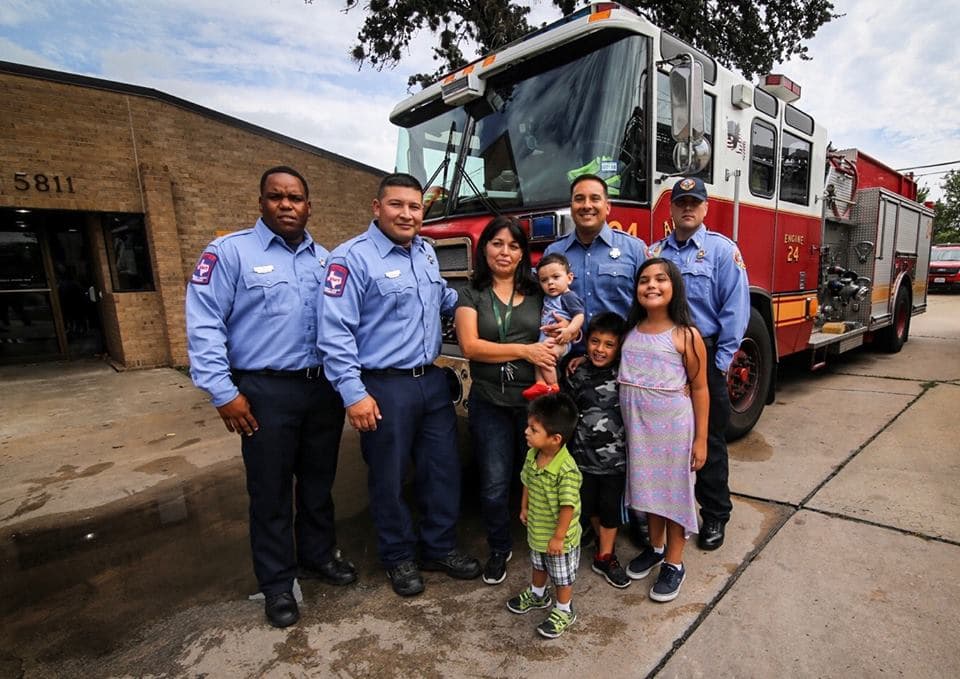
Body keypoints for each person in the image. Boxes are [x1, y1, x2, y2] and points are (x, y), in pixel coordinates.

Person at [185, 166, 354, 629]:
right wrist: (223, 392)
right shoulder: (229, 253)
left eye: (295, 198)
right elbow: (204, 323)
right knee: (271, 490)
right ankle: (277, 582)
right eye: (276, 196)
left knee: (318, 483)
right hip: (264, 391)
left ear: (308, 206)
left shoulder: (327, 260)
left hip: (321, 388)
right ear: (261, 202)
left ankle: (318, 555)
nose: (286, 205)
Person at [318, 172, 481, 597]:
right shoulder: (351, 259)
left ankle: (439, 548)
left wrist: (487, 302)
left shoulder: (425, 252)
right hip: (383, 386)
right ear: (377, 208)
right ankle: (398, 557)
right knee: (388, 478)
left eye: (414, 206)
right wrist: (354, 394)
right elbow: (334, 334)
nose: (407, 214)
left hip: (431, 379)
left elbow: (445, 299)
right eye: (397, 205)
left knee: (441, 469)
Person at [543, 173, 649, 549]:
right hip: (573, 368)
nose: (586, 205)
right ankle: (586, 516)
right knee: (577, 441)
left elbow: (646, 305)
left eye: (594, 198)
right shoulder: (555, 253)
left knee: (630, 442)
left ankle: (638, 516)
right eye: (579, 199)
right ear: (571, 205)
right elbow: (548, 306)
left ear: (607, 206)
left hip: (623, 368)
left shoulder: (633, 249)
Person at [454, 216, 560, 585]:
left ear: (522, 253)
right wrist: (525, 350)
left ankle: (544, 543)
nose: (505, 252)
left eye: (514, 245)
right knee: (495, 482)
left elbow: (560, 328)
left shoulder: (538, 292)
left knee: (539, 477)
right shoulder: (471, 293)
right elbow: (471, 347)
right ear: (484, 248)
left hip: (534, 404)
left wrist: (563, 337)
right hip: (489, 402)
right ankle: (500, 547)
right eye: (497, 243)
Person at [647, 177, 750, 551]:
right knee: (661, 437)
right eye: (681, 202)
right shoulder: (654, 252)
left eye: (695, 202)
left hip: (703, 355)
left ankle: (715, 514)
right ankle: (662, 513)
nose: (687, 208)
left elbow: (736, 310)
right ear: (671, 208)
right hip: (662, 356)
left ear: (705, 207)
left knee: (709, 439)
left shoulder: (722, 251)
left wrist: (719, 365)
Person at [619, 258, 709, 602]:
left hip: (673, 431)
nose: (651, 286)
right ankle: (656, 548)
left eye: (660, 279)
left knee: (674, 495)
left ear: (675, 287)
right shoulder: (631, 331)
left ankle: (674, 562)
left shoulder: (686, 335)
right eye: (644, 280)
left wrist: (701, 439)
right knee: (650, 494)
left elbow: (699, 388)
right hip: (640, 432)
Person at [563, 311, 630, 589]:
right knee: (587, 505)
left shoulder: (625, 374)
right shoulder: (578, 373)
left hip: (615, 463)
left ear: (619, 347)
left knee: (610, 508)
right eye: (594, 342)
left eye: (609, 344)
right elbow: (567, 411)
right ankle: (598, 539)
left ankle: (606, 555)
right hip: (582, 460)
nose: (600, 349)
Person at [507, 393, 582, 639]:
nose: (526, 432)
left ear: (555, 438)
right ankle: (538, 594)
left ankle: (564, 610)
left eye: (533, 429)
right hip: (538, 530)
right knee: (538, 565)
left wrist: (559, 537)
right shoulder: (533, 455)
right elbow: (526, 481)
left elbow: (568, 507)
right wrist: (524, 507)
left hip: (559, 538)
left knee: (561, 577)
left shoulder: (566, 470)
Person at [521, 253, 584, 400]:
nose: (550, 283)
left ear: (569, 278)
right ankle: (540, 383)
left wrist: (569, 331)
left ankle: (553, 385)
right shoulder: (548, 298)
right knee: (537, 356)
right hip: (545, 338)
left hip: (560, 340)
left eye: (556, 277)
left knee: (546, 356)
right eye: (544, 280)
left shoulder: (568, 296)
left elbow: (579, 315)